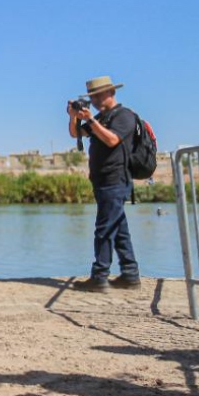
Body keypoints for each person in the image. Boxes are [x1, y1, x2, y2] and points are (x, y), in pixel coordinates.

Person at [67, 76, 141, 292]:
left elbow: (112, 140)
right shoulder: (101, 117)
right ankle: (130, 275)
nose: (97, 100)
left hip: (115, 179)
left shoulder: (125, 116)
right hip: (102, 180)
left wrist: (90, 120)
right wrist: (74, 117)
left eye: (99, 95)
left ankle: (99, 277)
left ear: (111, 92)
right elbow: (76, 134)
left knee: (104, 229)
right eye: (93, 97)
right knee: (118, 228)